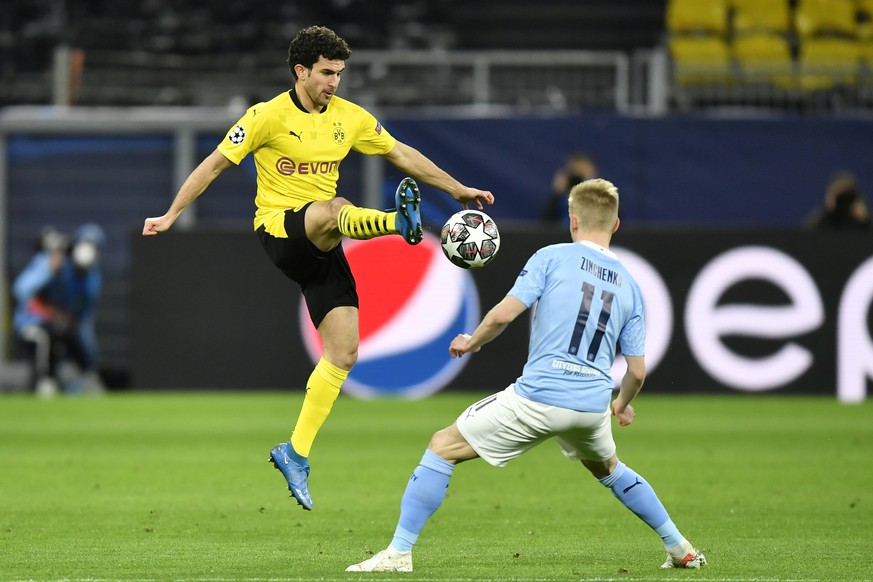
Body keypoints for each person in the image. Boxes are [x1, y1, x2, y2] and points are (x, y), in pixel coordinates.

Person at [141, 25, 494, 511]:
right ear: (300, 71)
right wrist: (171, 214)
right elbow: (214, 165)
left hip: (322, 249)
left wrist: (456, 190)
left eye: (340, 73)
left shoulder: (349, 118)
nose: (335, 82)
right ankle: (398, 223)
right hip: (280, 232)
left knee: (344, 352)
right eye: (327, 73)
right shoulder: (265, 117)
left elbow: (401, 153)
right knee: (333, 207)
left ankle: (296, 452)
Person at [347, 178, 706, 573]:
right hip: (590, 407)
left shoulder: (552, 256)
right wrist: (620, 406)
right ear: (615, 226)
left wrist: (472, 341)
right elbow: (636, 370)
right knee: (609, 468)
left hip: (539, 397)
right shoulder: (631, 287)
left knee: (441, 446)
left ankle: (398, 554)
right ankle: (679, 547)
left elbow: (503, 314)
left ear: (572, 221)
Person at [12, 224, 107, 397]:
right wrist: (49, 268)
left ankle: (82, 383)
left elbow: (81, 315)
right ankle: (44, 381)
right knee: (45, 339)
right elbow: (21, 290)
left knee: (79, 347)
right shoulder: (50, 261)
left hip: (63, 325)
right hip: (34, 323)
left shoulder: (92, 279)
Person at [542, 150, 598, 223]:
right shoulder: (559, 203)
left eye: (581, 176)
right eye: (574, 174)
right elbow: (543, 227)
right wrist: (556, 194)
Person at [803, 171, 872, 230]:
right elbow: (806, 237)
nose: (842, 200)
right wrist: (827, 211)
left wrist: (866, 220)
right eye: (838, 195)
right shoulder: (820, 219)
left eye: (846, 194)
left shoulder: (863, 218)